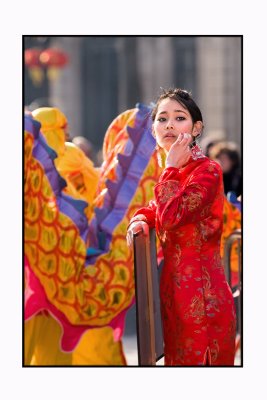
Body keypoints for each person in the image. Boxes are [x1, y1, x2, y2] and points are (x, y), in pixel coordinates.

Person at [126, 88, 236, 366]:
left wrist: (170, 168)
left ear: (196, 128)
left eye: (179, 118)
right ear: (153, 130)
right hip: (174, 293)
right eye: (162, 119)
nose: (170, 125)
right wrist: (141, 219)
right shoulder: (179, 170)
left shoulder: (206, 170)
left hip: (203, 295)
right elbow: (156, 209)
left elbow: (172, 216)